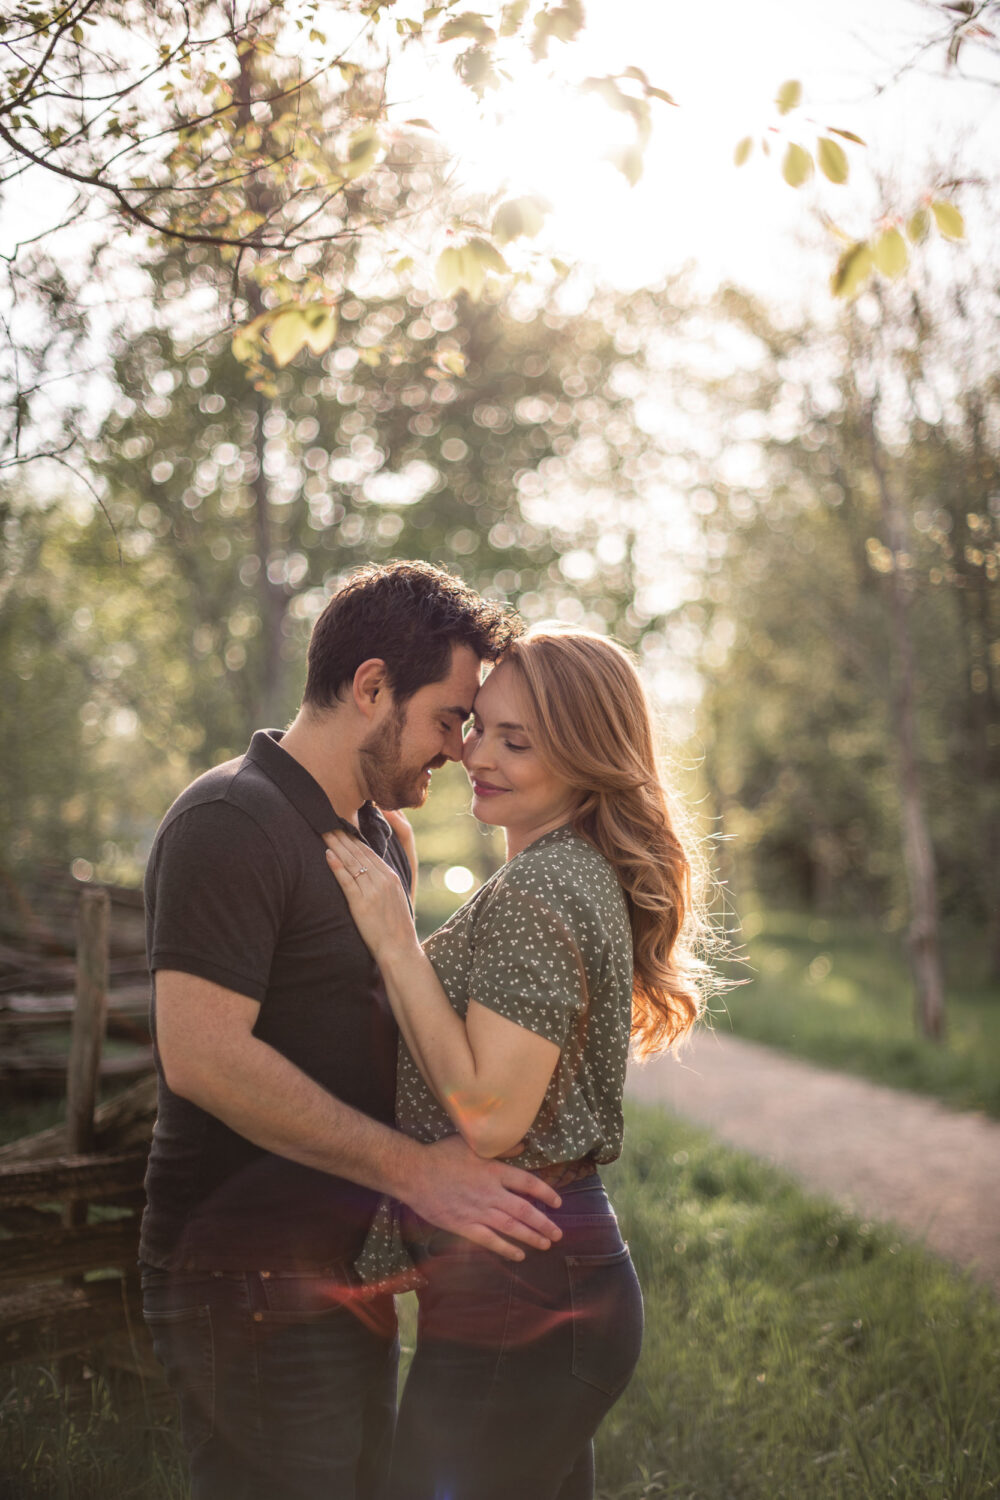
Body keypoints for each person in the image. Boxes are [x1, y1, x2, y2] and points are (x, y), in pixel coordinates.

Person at [139, 561, 564, 1500]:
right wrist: (415, 1174)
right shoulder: (227, 820)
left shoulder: (385, 839)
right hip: (239, 1274)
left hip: (342, 1271)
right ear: (372, 688)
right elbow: (203, 1058)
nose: (460, 749)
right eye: (450, 717)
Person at [324, 623, 712, 1500]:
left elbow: (493, 1119)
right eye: (478, 728)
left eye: (516, 740)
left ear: (585, 757)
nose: (476, 755)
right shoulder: (561, 869)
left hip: (526, 1295)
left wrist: (396, 940)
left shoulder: (546, 886)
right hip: (532, 1286)